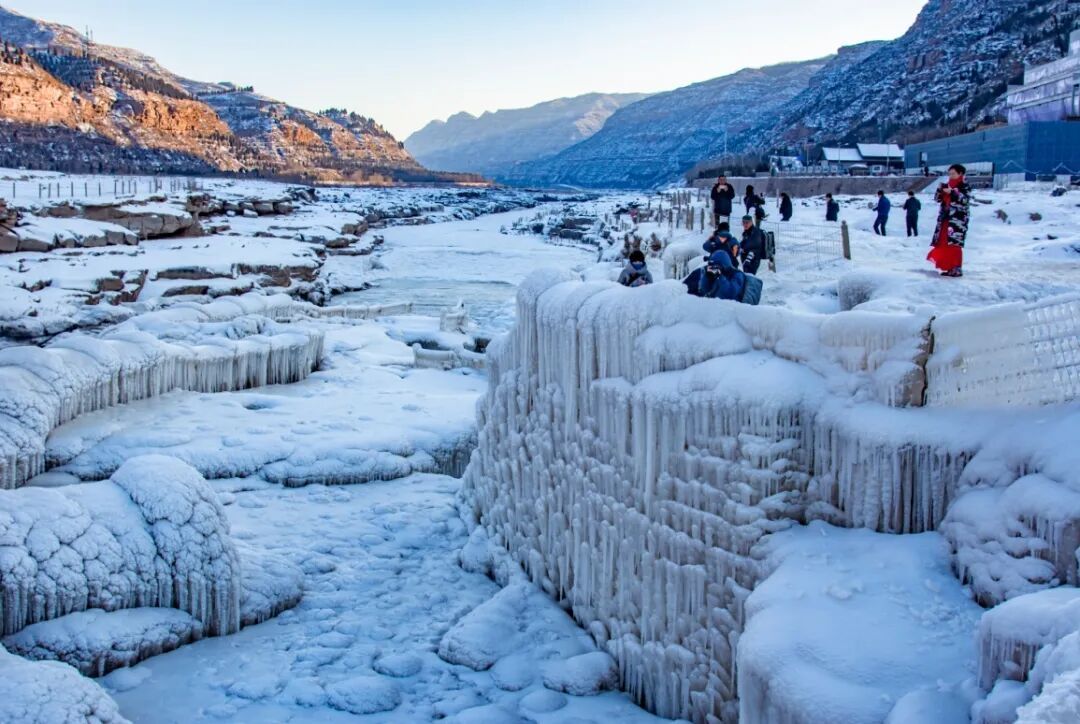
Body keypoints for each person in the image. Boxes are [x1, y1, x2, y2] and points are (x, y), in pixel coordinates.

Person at [927, 163, 971, 277]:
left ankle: (956, 268)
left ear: (960, 174)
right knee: (944, 242)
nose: (951, 176)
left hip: (957, 221)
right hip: (945, 220)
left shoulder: (964, 186)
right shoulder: (946, 185)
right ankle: (948, 267)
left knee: (954, 244)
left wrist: (952, 192)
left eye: (953, 174)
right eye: (949, 174)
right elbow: (937, 199)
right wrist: (940, 191)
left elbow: (965, 200)